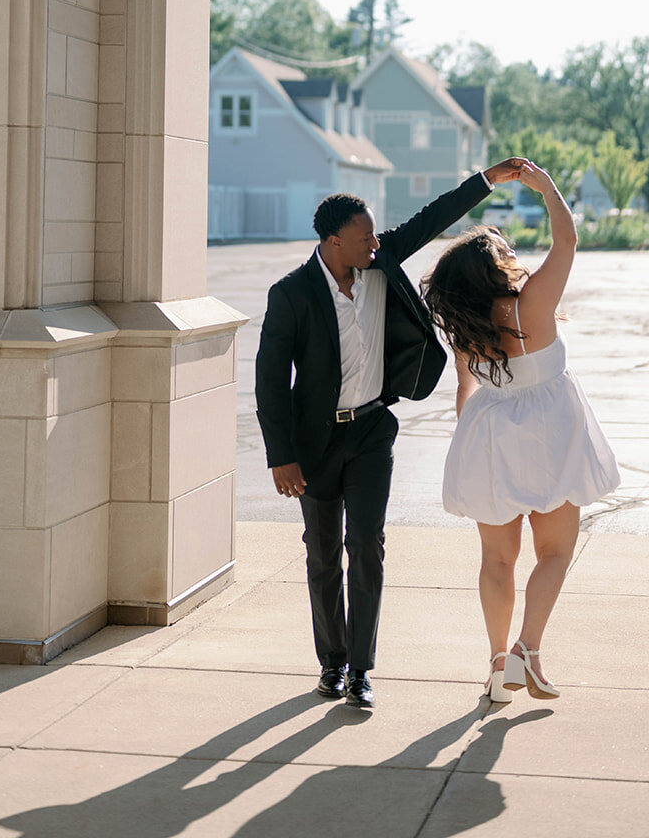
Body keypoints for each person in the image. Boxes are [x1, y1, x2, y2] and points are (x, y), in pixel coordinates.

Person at [255, 159, 526, 709]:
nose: (374, 243)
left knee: (367, 546)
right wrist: (281, 456)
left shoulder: (379, 264)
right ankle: (331, 664)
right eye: (364, 237)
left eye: (375, 234)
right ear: (333, 242)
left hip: (372, 430)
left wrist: (487, 180)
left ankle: (360, 669)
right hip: (314, 444)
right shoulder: (291, 294)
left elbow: (432, 218)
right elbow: (270, 381)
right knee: (322, 554)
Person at [423, 161, 620, 704]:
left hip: (488, 432)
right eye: (505, 248)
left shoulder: (468, 326)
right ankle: (526, 650)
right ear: (494, 266)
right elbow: (567, 240)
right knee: (554, 552)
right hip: (550, 431)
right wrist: (546, 187)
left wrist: (470, 448)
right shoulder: (531, 303)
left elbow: (464, 391)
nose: (514, 252)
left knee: (496, 559)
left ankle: (496, 666)